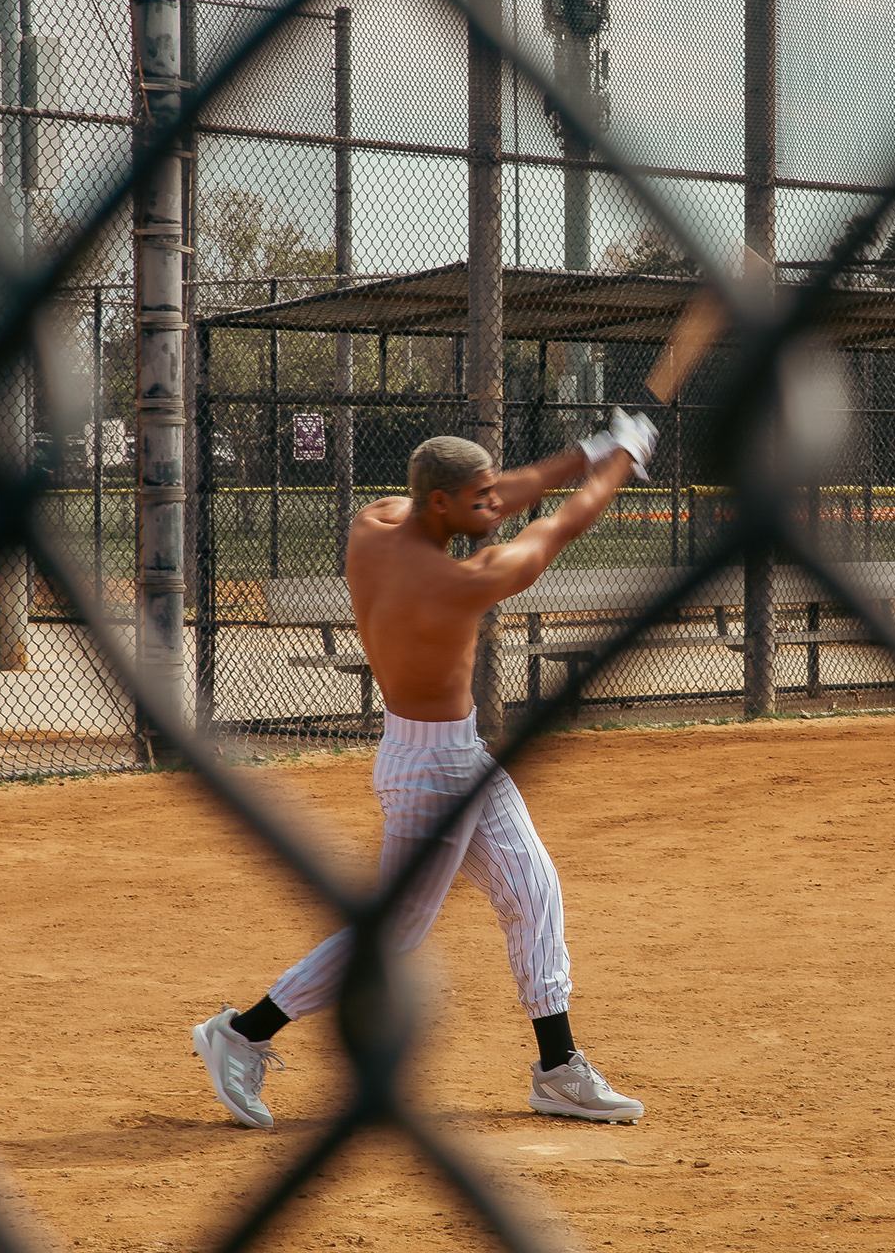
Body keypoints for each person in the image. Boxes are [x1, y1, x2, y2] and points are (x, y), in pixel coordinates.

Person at [192, 410, 659, 1129]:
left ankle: (559, 1068)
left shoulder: (376, 521)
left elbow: (501, 495)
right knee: (396, 932)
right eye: (477, 498)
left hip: (455, 754)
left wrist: (586, 452)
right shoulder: (454, 583)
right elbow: (556, 529)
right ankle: (243, 1033)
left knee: (533, 888)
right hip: (429, 773)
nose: (494, 507)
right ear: (440, 503)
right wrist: (620, 462)